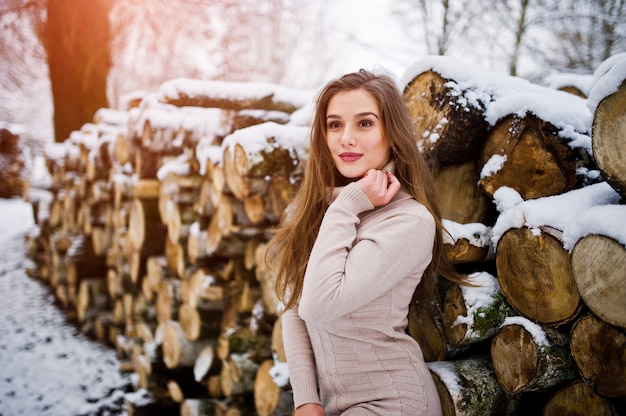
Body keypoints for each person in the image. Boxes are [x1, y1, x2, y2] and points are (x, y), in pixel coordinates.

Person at [267, 69, 467, 416]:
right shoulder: (320, 210)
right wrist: (306, 400)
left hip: (392, 402)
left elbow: (319, 304)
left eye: (364, 124)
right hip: (332, 406)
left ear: (391, 134)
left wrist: (347, 205)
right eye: (334, 125)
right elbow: (294, 306)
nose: (346, 138)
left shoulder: (408, 221)